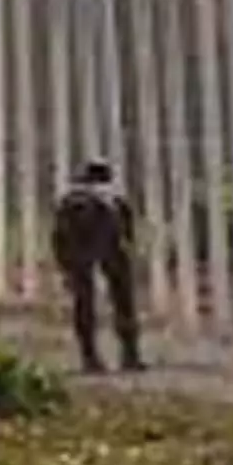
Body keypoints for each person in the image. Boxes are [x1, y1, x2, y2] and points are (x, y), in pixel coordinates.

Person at [52, 160, 144, 374]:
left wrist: (64, 264)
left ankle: (90, 356)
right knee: (122, 299)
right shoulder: (114, 200)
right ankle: (129, 354)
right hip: (112, 248)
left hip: (80, 252)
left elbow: (59, 236)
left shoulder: (70, 201)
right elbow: (127, 234)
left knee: (84, 302)